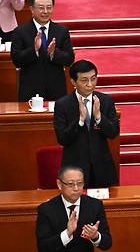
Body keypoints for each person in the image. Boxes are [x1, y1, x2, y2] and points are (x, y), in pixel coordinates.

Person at [54, 60, 119, 188]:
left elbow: (113, 133)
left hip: (102, 168)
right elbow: (62, 138)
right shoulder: (63, 105)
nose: (90, 84)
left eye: (93, 79)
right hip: (74, 170)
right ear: (73, 82)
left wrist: (99, 117)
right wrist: (80, 121)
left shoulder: (105, 101)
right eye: (84, 80)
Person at [11, 0, 75, 101]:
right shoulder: (20, 31)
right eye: (41, 8)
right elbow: (16, 60)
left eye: (49, 7)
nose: (45, 11)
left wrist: (54, 53)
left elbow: (69, 59)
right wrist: (34, 49)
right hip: (30, 89)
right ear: (31, 9)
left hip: (56, 89)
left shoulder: (61, 31)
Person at [36, 165, 112, 252]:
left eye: (80, 183)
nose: (76, 188)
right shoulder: (46, 209)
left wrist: (95, 236)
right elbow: (43, 247)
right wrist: (67, 233)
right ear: (59, 184)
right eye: (71, 184)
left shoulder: (95, 205)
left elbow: (107, 243)